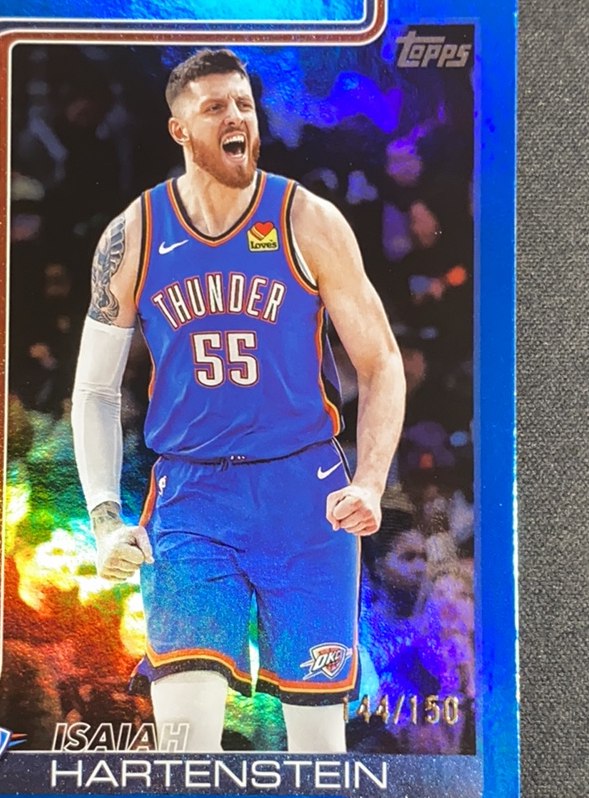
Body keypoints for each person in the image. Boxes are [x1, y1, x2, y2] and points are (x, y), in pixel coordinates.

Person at [71, 49, 404, 753]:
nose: (237, 118)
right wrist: (103, 518)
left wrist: (372, 482)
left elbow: (381, 362)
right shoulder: (135, 232)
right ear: (179, 130)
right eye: (215, 107)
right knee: (183, 743)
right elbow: (94, 389)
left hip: (305, 492)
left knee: (318, 749)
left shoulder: (307, 219)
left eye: (245, 104)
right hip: (193, 494)